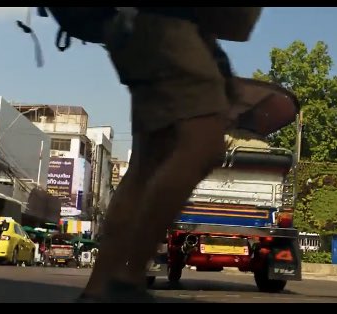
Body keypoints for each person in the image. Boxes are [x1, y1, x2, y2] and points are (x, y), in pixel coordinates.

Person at [79, 8, 263, 302]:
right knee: (204, 146)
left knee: (146, 167)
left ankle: (98, 289)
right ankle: (128, 281)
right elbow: (236, 24)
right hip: (167, 26)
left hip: (135, 26)